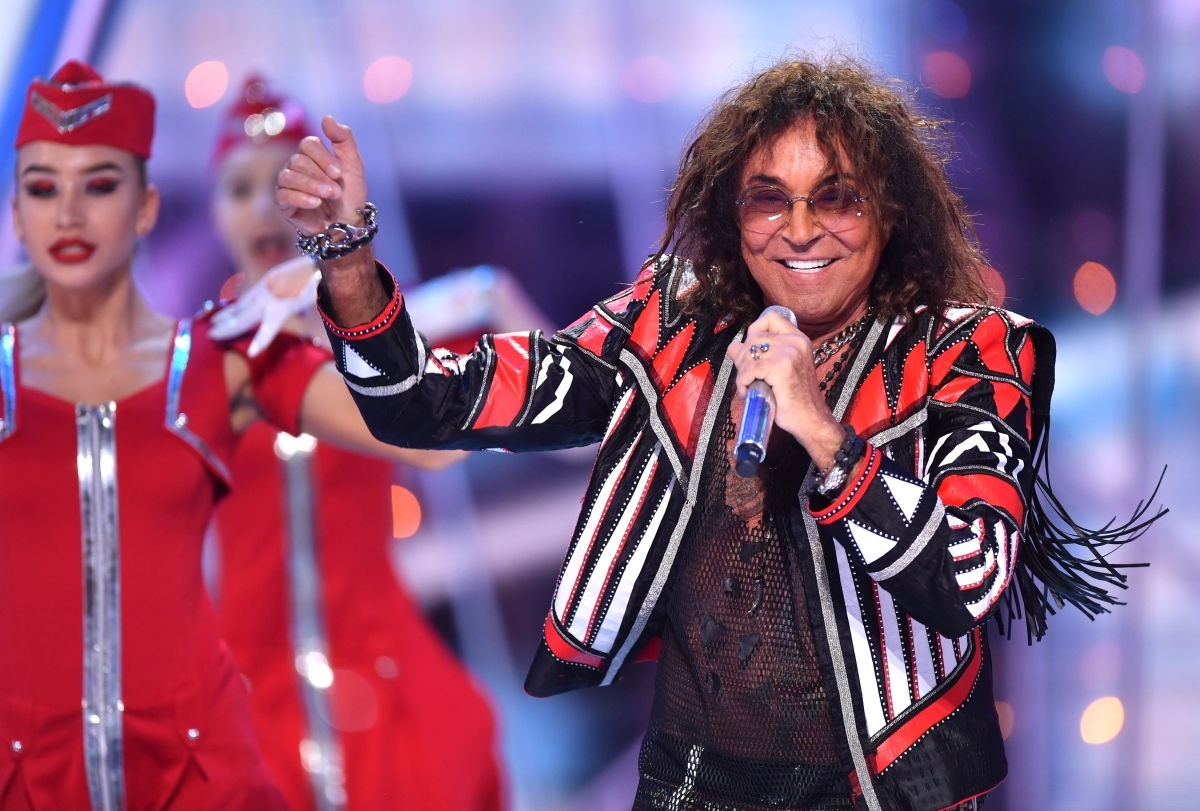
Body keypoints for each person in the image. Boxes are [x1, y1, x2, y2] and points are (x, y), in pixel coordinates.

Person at [265, 56, 1156, 811]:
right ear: (734, 215)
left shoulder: (969, 353)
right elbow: (430, 402)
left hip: (880, 788)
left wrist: (823, 431)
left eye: (836, 198)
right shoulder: (674, 326)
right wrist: (349, 265)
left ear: (889, 212)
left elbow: (967, 576)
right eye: (770, 200)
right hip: (692, 783)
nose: (800, 230)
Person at [0, 60, 442, 810]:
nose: (68, 213)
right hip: (28, 771)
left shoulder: (224, 356)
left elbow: (432, 438)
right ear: (17, 213)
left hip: (203, 769)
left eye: (99, 185)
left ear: (146, 207)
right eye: (44, 189)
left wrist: (344, 267)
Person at [207, 77, 504, 811]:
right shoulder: (197, 360)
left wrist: (490, 295)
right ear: (213, 210)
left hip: (380, 673)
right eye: (239, 189)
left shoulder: (382, 350)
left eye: (283, 184)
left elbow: (467, 435)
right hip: (239, 684)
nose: (263, 207)